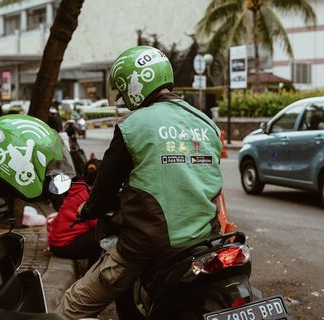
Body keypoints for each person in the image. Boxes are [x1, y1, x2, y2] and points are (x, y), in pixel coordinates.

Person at [55, 45, 224, 318]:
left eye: (123, 90)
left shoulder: (133, 125)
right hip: (206, 239)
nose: (123, 98)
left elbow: (106, 188)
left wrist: (87, 210)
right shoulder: (205, 122)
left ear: (135, 84)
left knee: (72, 305)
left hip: (150, 243)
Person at [48, 157, 103, 266]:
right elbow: (96, 222)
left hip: (57, 244)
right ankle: (90, 275)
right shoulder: (89, 195)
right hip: (63, 246)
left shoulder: (80, 188)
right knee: (100, 237)